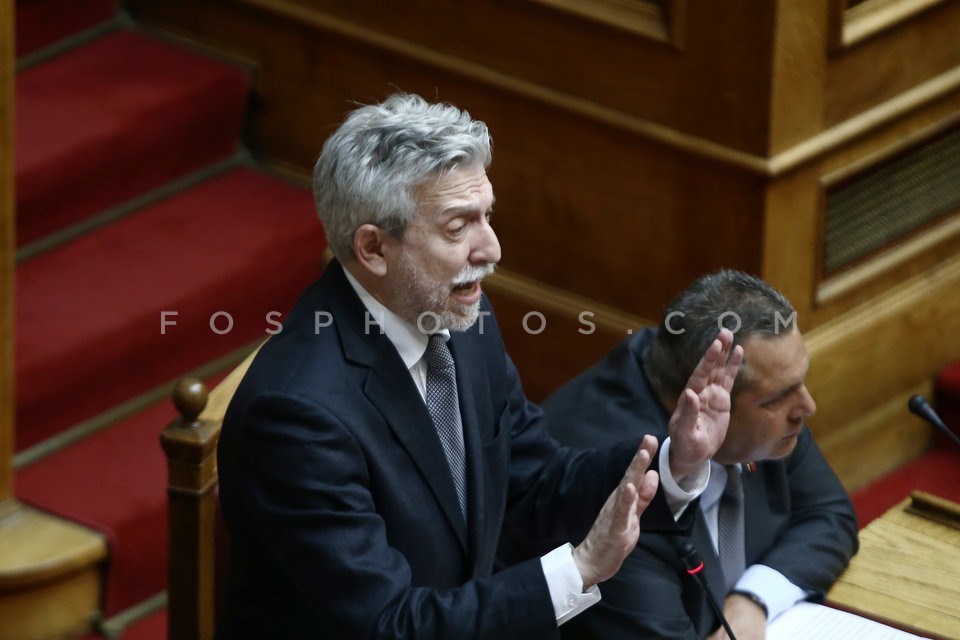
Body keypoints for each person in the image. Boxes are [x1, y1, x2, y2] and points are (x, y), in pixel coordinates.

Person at [215, 93, 743, 639]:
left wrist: (675, 460)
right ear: (373, 248)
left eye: (486, 216)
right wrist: (579, 569)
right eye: (457, 227)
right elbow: (388, 626)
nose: (491, 248)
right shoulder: (296, 416)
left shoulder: (457, 319)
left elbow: (533, 481)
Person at [535, 270, 859, 640]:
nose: (807, 406)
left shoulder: (767, 392)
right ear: (704, 403)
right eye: (776, 399)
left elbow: (829, 514)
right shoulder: (619, 488)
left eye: (801, 381)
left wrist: (753, 598)